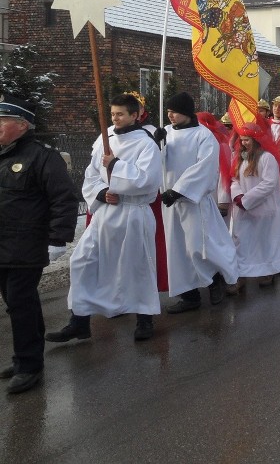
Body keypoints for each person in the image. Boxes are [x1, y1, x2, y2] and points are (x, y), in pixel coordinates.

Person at [47, 94, 162, 345]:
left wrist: (117, 165)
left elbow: (148, 180)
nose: (115, 118)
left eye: (120, 114)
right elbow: (91, 173)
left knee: (137, 265)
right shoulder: (104, 138)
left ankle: (144, 318)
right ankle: (79, 320)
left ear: (135, 115)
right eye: (112, 114)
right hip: (106, 214)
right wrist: (101, 192)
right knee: (82, 261)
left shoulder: (146, 144)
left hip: (133, 212)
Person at [0, 94, 78, 394]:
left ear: (21, 125)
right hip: (3, 245)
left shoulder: (42, 157)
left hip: (26, 244)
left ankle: (30, 366)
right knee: (18, 303)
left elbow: (64, 199)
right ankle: (24, 358)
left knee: (20, 303)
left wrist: (58, 238)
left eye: (2, 121)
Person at [160, 92, 239, 313]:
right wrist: (155, 144)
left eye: (174, 111)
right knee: (176, 249)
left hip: (193, 201)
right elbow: (157, 161)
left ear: (186, 111)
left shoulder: (203, 136)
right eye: (168, 112)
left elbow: (203, 168)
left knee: (198, 246)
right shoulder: (165, 133)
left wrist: (178, 190)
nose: (170, 116)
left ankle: (215, 279)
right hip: (169, 202)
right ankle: (189, 294)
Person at [230, 122, 280, 288]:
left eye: (247, 140)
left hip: (264, 208)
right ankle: (241, 275)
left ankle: (268, 271)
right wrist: (238, 195)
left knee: (264, 241)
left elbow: (269, 183)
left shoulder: (267, 158)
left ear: (255, 139)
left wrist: (247, 199)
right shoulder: (240, 157)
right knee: (242, 241)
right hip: (244, 208)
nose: (243, 143)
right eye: (242, 140)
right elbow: (234, 178)